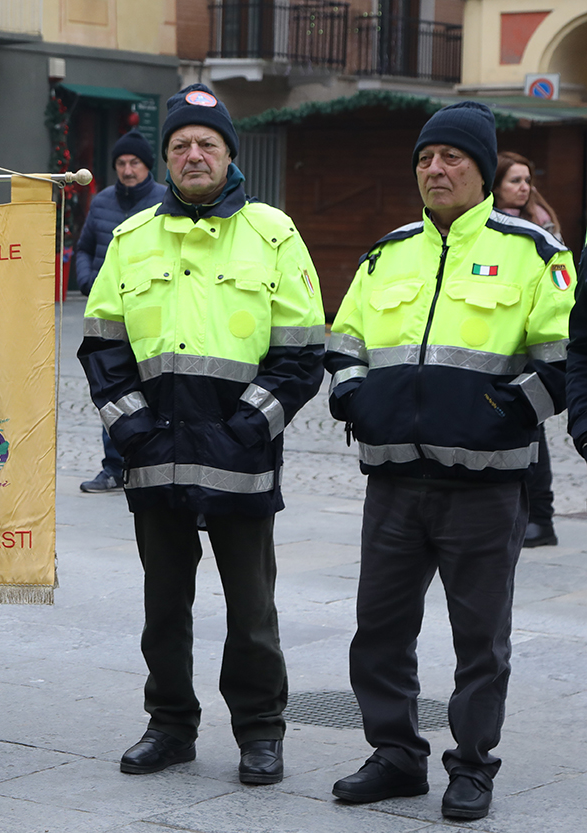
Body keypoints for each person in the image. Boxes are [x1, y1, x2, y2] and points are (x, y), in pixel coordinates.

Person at [325, 102, 573, 821]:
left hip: (486, 488)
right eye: (426, 159)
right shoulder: (387, 251)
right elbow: (345, 345)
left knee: (480, 641)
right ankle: (396, 755)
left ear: (485, 169)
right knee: (379, 629)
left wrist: (500, 413)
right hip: (395, 482)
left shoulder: (535, 254)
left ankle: (472, 765)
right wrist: (354, 401)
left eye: (453, 157)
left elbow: (560, 363)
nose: (436, 169)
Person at [78, 83, 325, 784]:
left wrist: (250, 424)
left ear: (228, 155)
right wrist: (136, 433)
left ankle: (259, 730)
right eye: (181, 144)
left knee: (251, 611)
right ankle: (170, 724)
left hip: (240, 456)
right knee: (165, 607)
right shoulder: (130, 239)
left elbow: (303, 350)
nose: (193, 154)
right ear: (166, 158)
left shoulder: (273, 234)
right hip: (156, 456)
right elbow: (102, 346)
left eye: (206, 144)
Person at [75, 130, 167, 494]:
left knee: (151, 386)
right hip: (109, 313)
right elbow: (83, 248)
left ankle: (147, 463)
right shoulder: (101, 202)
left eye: (135, 163)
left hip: (150, 311)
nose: (128, 170)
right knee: (111, 385)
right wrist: (87, 281)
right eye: (122, 164)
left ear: (148, 166)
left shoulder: (165, 201)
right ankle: (113, 467)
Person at [494, 151, 562, 546]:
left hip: (531, 349)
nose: (524, 188)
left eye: (527, 180)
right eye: (515, 180)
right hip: (499, 347)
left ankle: (542, 518)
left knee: (533, 431)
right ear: (496, 184)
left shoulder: (540, 229)